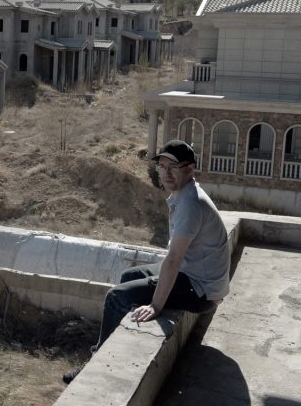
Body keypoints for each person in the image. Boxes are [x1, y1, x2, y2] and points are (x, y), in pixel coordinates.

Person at [64, 140, 231, 382]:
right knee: (128, 277)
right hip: (198, 276)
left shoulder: (190, 203)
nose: (166, 173)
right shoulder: (184, 194)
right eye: (162, 166)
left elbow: (173, 260)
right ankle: (119, 343)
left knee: (116, 296)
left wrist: (156, 306)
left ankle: (97, 365)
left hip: (201, 290)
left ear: (190, 169)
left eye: (173, 167)